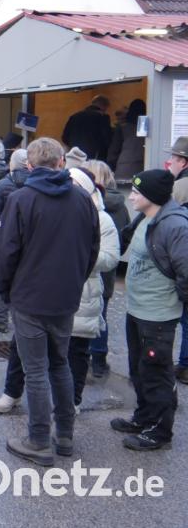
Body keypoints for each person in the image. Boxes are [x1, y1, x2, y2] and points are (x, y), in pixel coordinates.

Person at [0, 137, 98, 466]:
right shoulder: (83, 199)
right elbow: (91, 248)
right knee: (60, 364)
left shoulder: (21, 199)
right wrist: (75, 280)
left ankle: (39, 439)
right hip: (65, 296)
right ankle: (64, 435)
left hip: (29, 297)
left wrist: (6, 290)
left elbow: (6, 252)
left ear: (29, 165)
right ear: (61, 162)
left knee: (36, 370)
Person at [113, 170, 188, 451]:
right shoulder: (145, 217)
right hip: (137, 309)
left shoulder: (175, 226)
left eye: (136, 191)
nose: (130, 195)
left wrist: (176, 303)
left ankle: (160, 430)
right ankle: (144, 417)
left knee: (157, 372)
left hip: (158, 315)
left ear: (152, 196)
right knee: (139, 369)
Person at [65, 167, 119, 408]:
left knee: (77, 353)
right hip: (57, 293)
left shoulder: (102, 218)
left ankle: (73, 401)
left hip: (84, 295)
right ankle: (58, 400)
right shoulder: (60, 212)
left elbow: (110, 258)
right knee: (55, 354)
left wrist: (79, 257)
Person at [87, 160, 129, 378]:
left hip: (88, 269)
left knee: (85, 314)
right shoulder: (121, 205)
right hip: (108, 271)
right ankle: (100, 362)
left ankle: (82, 357)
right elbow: (124, 239)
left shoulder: (88, 203)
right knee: (101, 315)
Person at [0, 148, 30, 334]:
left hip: (6, 240)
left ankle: (1, 318)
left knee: (3, 277)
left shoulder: (2, 185)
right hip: (31, 241)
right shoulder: (35, 185)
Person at [164, 137, 188, 385]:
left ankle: (184, 365)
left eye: (175, 158)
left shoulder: (180, 187)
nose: (171, 161)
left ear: (183, 161)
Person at [62, 95, 112, 160]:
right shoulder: (102, 117)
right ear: (104, 106)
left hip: (75, 154)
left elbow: (65, 137)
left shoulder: (74, 116)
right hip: (94, 155)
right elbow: (106, 138)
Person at [107, 99, 146, 179]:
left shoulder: (122, 128)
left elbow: (114, 151)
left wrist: (111, 166)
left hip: (124, 168)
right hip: (142, 168)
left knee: (123, 190)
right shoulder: (147, 128)